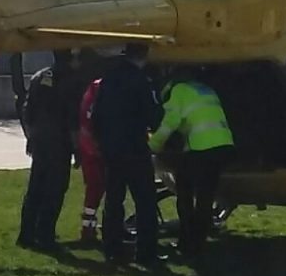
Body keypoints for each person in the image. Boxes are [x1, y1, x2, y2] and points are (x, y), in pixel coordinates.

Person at [149, 70, 235, 258]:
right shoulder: (204, 89)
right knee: (205, 197)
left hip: (201, 147)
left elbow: (170, 122)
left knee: (184, 193)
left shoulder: (177, 91)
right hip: (223, 145)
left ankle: (186, 242)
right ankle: (199, 242)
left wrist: (152, 145)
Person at [93, 45, 164, 264]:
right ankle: (146, 252)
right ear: (144, 56)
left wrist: (103, 142)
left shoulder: (109, 78)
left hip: (111, 148)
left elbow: (96, 115)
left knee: (114, 199)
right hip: (134, 147)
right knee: (145, 201)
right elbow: (152, 115)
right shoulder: (140, 80)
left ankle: (112, 248)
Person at [17, 50, 82, 251]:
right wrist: (77, 148)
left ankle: (27, 234)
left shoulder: (40, 76)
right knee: (55, 189)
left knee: (36, 187)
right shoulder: (72, 81)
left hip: (40, 140)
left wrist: (31, 137)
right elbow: (72, 119)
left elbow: (28, 111)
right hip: (59, 143)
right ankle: (45, 234)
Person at [76, 77, 105, 243]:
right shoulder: (101, 88)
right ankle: (89, 227)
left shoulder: (93, 88)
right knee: (99, 186)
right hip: (97, 146)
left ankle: (89, 225)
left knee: (94, 187)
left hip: (89, 145)